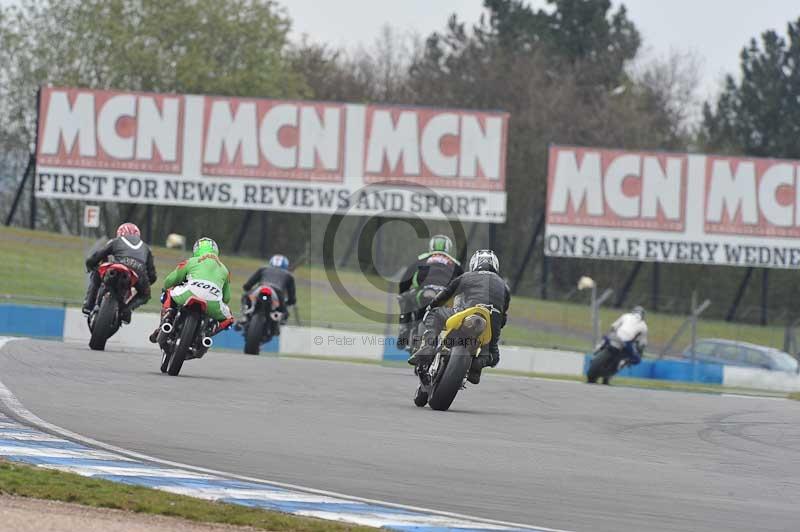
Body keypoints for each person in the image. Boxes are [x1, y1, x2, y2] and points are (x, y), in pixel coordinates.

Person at [409, 249, 510, 385]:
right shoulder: (504, 286)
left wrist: (432, 305)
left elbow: (446, 294)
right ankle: (477, 365)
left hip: (468, 313)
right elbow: (503, 318)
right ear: (495, 265)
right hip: (491, 321)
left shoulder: (467, 276)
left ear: (475, 263)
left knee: (434, 313)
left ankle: (428, 345)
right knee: (494, 356)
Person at [148, 237, 233, 343]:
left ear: (196, 249)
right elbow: (226, 298)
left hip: (189, 293)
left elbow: (170, 281)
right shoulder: (225, 270)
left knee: (169, 292)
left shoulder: (191, 261)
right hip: (213, 302)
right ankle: (207, 333)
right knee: (229, 319)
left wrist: (167, 288)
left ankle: (165, 324)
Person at [397, 235, 463, 350]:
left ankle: (404, 331)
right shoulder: (455, 263)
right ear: (448, 248)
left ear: (431, 246)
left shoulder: (422, 258)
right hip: (446, 297)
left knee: (404, 298)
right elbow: (463, 283)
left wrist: (403, 291)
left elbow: (405, 280)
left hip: (424, 294)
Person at [83, 222, 156, 323]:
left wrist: (90, 266)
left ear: (120, 233)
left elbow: (98, 255)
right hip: (137, 274)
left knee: (97, 272)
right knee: (145, 295)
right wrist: (144, 284)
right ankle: (127, 310)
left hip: (117, 269)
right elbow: (152, 275)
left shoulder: (116, 241)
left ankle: (88, 305)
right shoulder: (146, 248)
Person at [238, 254, 296, 328]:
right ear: (285, 265)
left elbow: (249, 283)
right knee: (283, 313)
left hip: (261, 288)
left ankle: (245, 315)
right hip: (277, 293)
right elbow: (292, 295)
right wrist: (290, 301)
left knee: (246, 297)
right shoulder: (289, 275)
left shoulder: (263, 269)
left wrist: (247, 288)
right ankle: (276, 322)